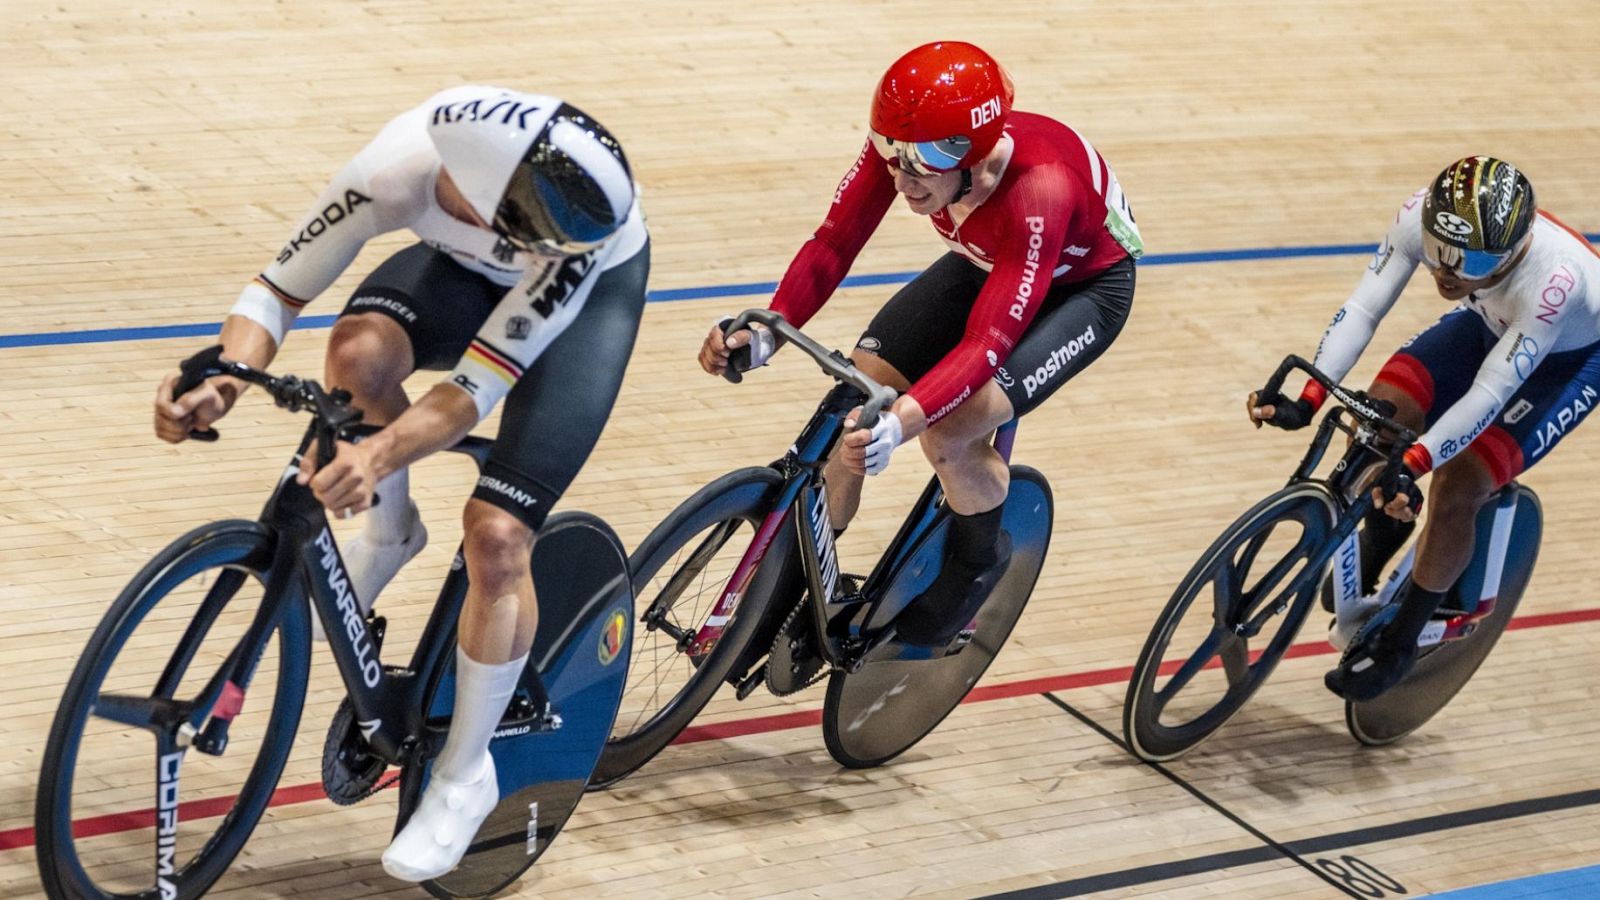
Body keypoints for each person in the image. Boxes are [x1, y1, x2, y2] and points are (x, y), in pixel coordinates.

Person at [152, 86, 649, 881]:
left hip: (584, 308)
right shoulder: (393, 170)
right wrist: (228, 379)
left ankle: (465, 773)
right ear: (478, 190)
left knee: (497, 534)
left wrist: (378, 454)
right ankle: (391, 533)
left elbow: (469, 394)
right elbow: (278, 289)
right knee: (357, 359)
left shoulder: (572, 243)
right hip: (464, 266)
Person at [698, 41, 1141, 646]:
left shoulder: (1041, 190)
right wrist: (772, 327)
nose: (902, 178)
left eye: (922, 163)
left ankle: (972, 571)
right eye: (890, 153)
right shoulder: (915, 148)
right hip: (991, 262)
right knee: (854, 397)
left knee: (948, 433)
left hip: (1083, 292)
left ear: (973, 154)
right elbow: (833, 244)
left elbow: (988, 341)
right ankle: (806, 573)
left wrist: (902, 424)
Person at [1249, 156, 1600, 700]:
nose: (1447, 271)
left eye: (1472, 261)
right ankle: (1381, 535)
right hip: (1490, 323)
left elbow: (1491, 393)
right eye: (1438, 250)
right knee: (1377, 418)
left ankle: (1402, 639)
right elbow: (1365, 306)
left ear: (1513, 251)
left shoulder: (1554, 282)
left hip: (1567, 363)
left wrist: (1415, 466)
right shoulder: (1423, 215)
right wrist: (1311, 396)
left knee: (1457, 482)